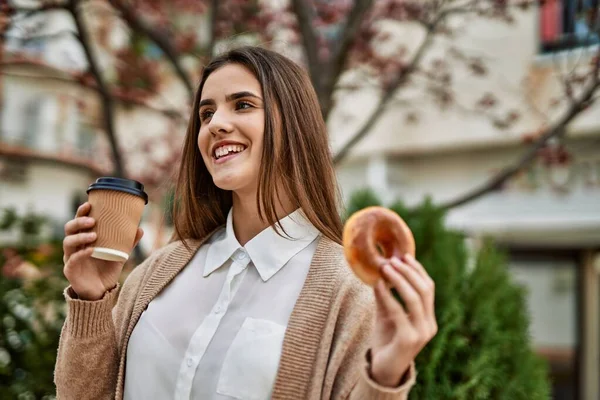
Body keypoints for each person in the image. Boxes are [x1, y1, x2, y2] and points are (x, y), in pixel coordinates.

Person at [55, 46, 437, 400]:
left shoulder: (348, 292)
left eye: (242, 105)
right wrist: (90, 297)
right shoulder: (156, 272)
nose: (216, 124)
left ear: (294, 125)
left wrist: (385, 378)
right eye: (206, 113)